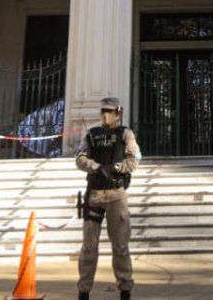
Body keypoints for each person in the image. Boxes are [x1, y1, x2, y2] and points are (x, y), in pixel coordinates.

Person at [75, 96, 139, 300]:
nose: (105, 115)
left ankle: (125, 289)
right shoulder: (92, 134)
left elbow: (135, 159)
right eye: (103, 110)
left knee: (120, 245)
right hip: (94, 194)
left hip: (116, 194)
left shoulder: (125, 134)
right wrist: (96, 167)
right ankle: (84, 290)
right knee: (89, 246)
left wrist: (115, 168)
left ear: (118, 113)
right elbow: (80, 158)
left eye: (109, 111)